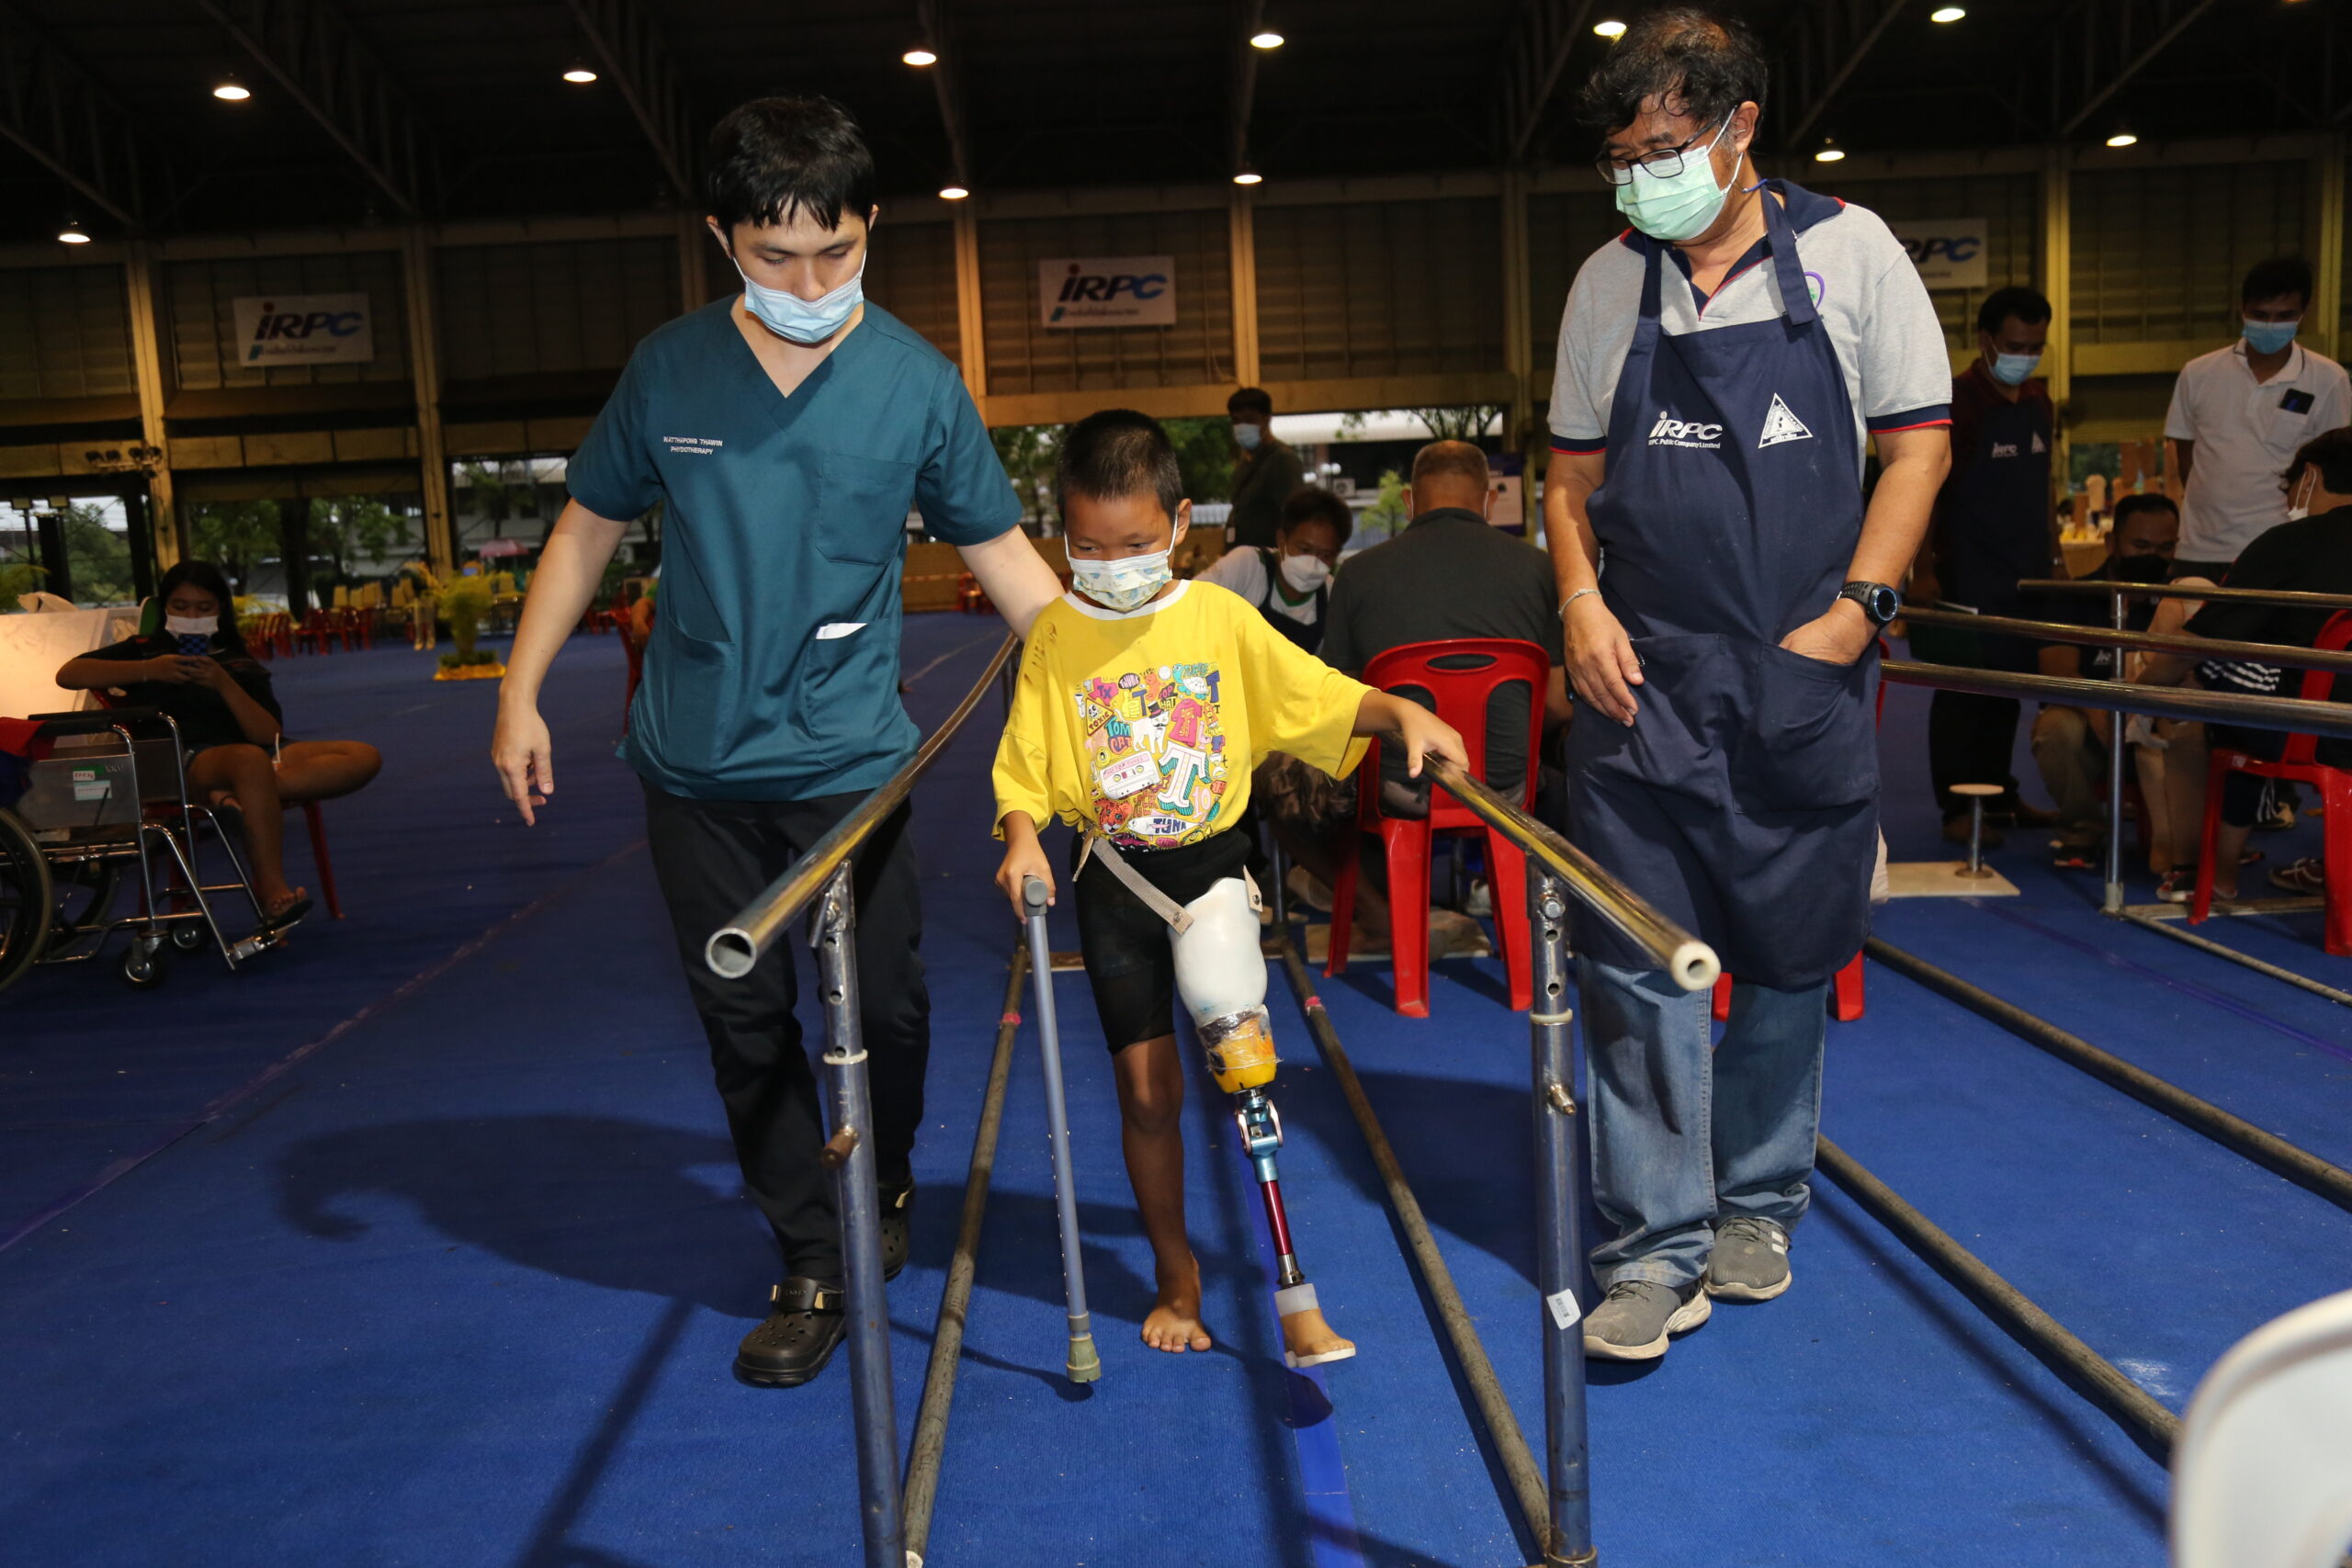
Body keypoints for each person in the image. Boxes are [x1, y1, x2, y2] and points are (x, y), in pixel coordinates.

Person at [489, 96, 1062, 1392]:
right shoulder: (669, 370)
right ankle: (811, 1252)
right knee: (743, 1021)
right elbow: (584, 529)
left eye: (836, 252)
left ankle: (886, 1170)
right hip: (694, 764)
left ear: (873, 227)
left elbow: (1006, 558)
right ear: (721, 237)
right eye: (774, 256)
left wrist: (1121, 681)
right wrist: (518, 693)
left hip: (851, 763)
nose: (808, 285)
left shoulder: (915, 381)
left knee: (892, 1008)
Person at [1544, 7, 1951, 1360]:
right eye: (1622, 158)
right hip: (1641, 681)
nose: (1641, 178)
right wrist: (1580, 602)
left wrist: (1853, 615)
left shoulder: (1851, 251)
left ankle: (1757, 1201)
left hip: (1796, 671)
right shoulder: (1608, 282)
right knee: (1639, 962)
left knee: (1785, 952)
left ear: (1740, 129)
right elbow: (1568, 481)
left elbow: (1916, 450)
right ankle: (1651, 1247)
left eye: (1664, 150)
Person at [990, 409, 1465, 1362]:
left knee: (1241, 1054)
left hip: (1209, 867)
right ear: (1062, 533)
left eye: (1133, 543)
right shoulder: (1056, 634)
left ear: (1178, 524)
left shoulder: (1217, 619)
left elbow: (1313, 692)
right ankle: (1176, 1275)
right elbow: (1026, 759)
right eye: (1088, 546)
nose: (1111, 564)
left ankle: (1292, 1282)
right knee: (1145, 1096)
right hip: (1112, 878)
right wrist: (1021, 838)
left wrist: (1397, 711)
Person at [54, 559, 382, 931]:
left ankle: (244, 794)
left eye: (203, 608)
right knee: (248, 762)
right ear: (165, 607)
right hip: (187, 759)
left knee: (362, 755)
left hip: (256, 752)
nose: (191, 617)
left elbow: (267, 734)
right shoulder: (146, 650)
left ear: (220, 610)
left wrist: (224, 683)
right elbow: (69, 674)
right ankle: (273, 892)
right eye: (180, 607)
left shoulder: (236, 659)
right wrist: (149, 670)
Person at [2138, 428, 2352, 902]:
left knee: (2205, 674)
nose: (2289, 502)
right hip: (2326, 722)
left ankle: (2213, 871)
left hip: (2312, 731)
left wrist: (2143, 688)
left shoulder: (2291, 542)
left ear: (2311, 477)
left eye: (2288, 489)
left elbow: (2200, 641)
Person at [1915, 284, 2064, 848]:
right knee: (1962, 693)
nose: (2026, 356)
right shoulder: (1956, 403)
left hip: (2026, 574)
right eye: (2015, 345)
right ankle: (1958, 806)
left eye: (2035, 347)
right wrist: (1922, 571)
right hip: (1967, 573)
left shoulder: (2039, 401)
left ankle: (1999, 796)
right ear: (1985, 340)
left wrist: (2055, 557)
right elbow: (1925, 490)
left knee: (2007, 689)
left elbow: (2045, 486)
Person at [2166, 256, 2352, 580]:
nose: (2270, 325)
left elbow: (2335, 471)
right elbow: (2185, 456)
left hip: (2283, 548)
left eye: (2284, 316)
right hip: (2201, 548)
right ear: (2242, 309)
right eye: (2260, 315)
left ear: (2304, 312)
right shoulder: (2198, 373)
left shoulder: (2328, 379)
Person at [2030, 493, 2177, 865]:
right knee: (2055, 729)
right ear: (2112, 543)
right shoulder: (2075, 597)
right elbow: (2056, 668)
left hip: (2162, 726)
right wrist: (2098, 706)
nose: (2152, 557)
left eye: (2165, 548)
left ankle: (2188, 838)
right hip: (2095, 726)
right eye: (2140, 546)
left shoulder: (2179, 599)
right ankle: (2083, 828)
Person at [1196, 484, 1350, 654]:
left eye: (1325, 555)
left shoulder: (1331, 597)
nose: (1312, 564)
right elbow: (1191, 605)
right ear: (1282, 539)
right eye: (1304, 549)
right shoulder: (1247, 565)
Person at [1224, 387, 1306, 550]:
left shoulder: (1283, 459)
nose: (1241, 426)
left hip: (1270, 556)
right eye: (1236, 421)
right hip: (1243, 556)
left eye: (1249, 420)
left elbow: (1295, 516)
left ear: (1266, 419)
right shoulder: (1245, 463)